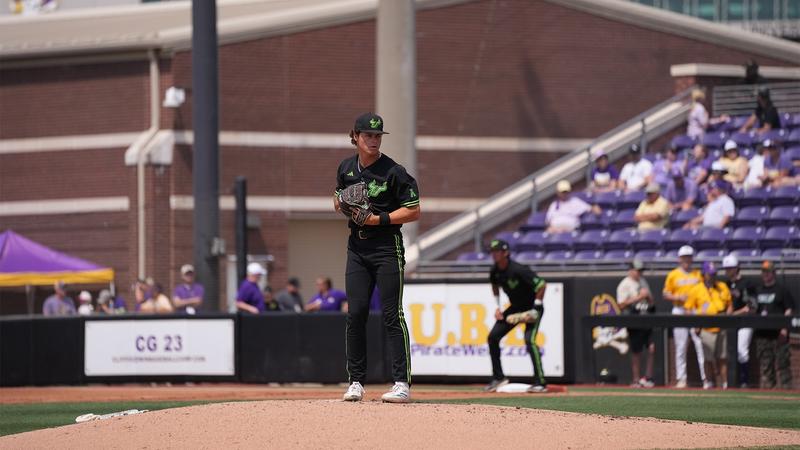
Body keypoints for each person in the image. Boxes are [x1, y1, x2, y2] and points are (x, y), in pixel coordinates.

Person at [335, 112, 420, 404]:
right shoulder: (346, 167)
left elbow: (413, 209)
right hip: (356, 249)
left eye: (377, 136)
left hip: (387, 247)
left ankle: (401, 383)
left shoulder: (393, 171)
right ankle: (356, 381)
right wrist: (343, 203)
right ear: (355, 137)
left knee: (391, 315)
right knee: (355, 313)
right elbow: (337, 200)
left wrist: (377, 219)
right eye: (367, 135)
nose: (373, 140)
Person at [483, 239, 548, 393]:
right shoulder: (495, 271)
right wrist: (497, 308)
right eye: (492, 252)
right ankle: (499, 378)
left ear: (506, 253)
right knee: (493, 337)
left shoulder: (518, 269)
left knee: (529, 340)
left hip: (532, 308)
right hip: (515, 308)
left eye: (497, 251)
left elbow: (541, 285)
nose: (494, 254)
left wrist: (537, 306)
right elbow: (494, 286)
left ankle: (540, 382)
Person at [662, 245, 707, 388]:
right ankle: (681, 379)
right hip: (679, 310)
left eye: (689, 257)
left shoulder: (697, 274)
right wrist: (677, 296)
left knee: (700, 345)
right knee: (680, 346)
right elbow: (665, 293)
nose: (687, 259)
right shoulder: (673, 274)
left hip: (694, 311)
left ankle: (705, 379)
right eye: (684, 257)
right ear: (679, 259)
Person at [684, 262, 731, 389]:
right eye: (710, 274)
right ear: (704, 275)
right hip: (705, 327)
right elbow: (688, 308)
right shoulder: (696, 289)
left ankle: (725, 383)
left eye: (714, 274)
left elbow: (729, 304)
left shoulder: (722, 286)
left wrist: (728, 317)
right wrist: (695, 323)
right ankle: (709, 381)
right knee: (708, 358)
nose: (713, 276)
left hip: (721, 325)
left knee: (723, 357)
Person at [753, 261, 794, 389]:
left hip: (778, 334)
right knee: (766, 368)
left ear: (773, 273)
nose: (765, 274)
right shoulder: (758, 290)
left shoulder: (782, 290)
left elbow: (789, 310)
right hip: (762, 335)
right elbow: (753, 309)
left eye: (767, 271)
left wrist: (784, 329)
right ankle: (768, 398)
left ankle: (787, 395)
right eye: (763, 271)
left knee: (783, 366)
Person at [616, 259, 655, 388]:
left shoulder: (643, 281)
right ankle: (636, 379)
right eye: (638, 270)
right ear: (631, 270)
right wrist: (639, 297)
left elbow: (652, 301)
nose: (640, 273)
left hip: (646, 315)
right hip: (633, 317)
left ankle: (647, 377)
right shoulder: (625, 284)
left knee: (651, 348)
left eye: (641, 270)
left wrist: (647, 297)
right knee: (636, 350)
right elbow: (621, 305)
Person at [722, 254, 757, 388]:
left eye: (730, 268)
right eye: (726, 268)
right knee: (729, 352)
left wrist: (733, 313)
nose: (728, 271)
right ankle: (731, 382)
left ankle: (744, 381)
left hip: (744, 321)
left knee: (742, 350)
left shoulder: (747, 283)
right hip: (729, 322)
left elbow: (752, 306)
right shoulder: (725, 284)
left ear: (737, 268)